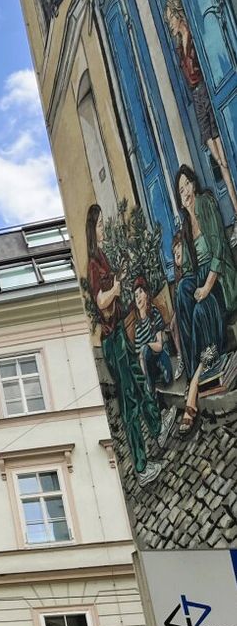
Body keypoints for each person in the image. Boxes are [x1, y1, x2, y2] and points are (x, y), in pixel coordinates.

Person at [84, 204, 165, 480]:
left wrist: (119, 277)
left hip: (119, 332)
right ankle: (141, 466)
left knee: (139, 382)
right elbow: (100, 301)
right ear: (92, 231)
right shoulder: (92, 264)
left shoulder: (102, 257)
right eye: (100, 226)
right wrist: (116, 289)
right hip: (112, 339)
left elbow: (110, 290)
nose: (103, 228)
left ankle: (157, 428)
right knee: (129, 400)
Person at [172, 165, 236, 403]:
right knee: (181, 291)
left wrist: (207, 287)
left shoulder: (205, 204)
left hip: (219, 277)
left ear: (194, 185)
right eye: (181, 190)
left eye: (187, 184)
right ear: (179, 199)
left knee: (200, 310)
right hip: (200, 276)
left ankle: (200, 374)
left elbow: (219, 249)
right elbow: (189, 270)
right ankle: (193, 372)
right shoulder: (185, 225)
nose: (186, 192)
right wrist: (193, 285)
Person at [165, 0, 236, 203]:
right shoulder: (179, 47)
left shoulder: (193, 36)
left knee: (225, 156)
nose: (170, 24)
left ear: (178, 14)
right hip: (197, 98)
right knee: (218, 157)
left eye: (170, 18)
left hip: (206, 90)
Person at [133, 277, 175, 391]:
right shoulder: (137, 326)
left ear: (146, 294)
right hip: (149, 366)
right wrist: (147, 379)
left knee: (167, 379)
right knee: (143, 353)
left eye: (141, 292)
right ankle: (151, 388)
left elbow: (160, 345)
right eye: (136, 295)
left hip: (160, 357)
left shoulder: (154, 313)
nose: (138, 297)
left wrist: (146, 346)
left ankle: (153, 384)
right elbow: (140, 356)